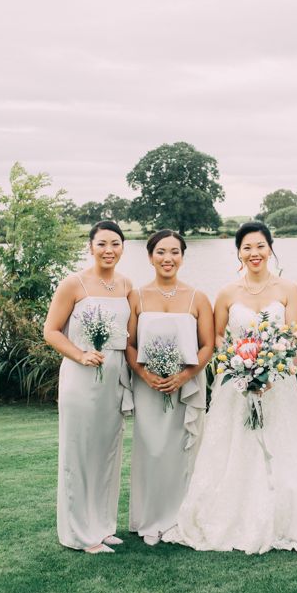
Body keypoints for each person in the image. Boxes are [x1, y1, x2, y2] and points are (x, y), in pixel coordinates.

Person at [162, 222, 297, 554]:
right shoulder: (228, 292)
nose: (254, 253)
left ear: (270, 249)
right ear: (239, 253)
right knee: (234, 448)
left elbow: (294, 335)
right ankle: (232, 515)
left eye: (260, 246)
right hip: (236, 384)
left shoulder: (287, 288)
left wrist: (271, 365)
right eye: (247, 247)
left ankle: (292, 517)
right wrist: (240, 363)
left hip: (278, 383)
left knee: (286, 445)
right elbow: (218, 337)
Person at [44, 221, 135, 554]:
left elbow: (129, 336)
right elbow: (51, 331)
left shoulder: (126, 285)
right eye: (102, 244)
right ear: (91, 247)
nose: (108, 250)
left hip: (114, 379)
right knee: (79, 454)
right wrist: (80, 354)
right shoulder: (73, 284)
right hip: (81, 378)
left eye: (115, 244)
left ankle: (103, 526)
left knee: (107, 453)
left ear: (123, 247)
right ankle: (80, 534)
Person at [127, 230, 214, 545]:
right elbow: (129, 343)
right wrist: (144, 374)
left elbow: (208, 345)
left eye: (175, 252)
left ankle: (181, 518)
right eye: (161, 252)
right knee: (151, 450)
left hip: (187, 386)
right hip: (148, 386)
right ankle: (149, 519)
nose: (168, 258)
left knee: (183, 451)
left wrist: (185, 375)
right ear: (150, 256)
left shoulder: (198, 298)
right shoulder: (136, 296)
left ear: (182, 256)